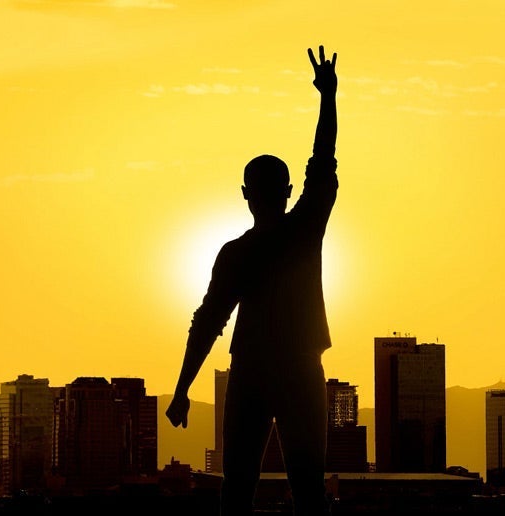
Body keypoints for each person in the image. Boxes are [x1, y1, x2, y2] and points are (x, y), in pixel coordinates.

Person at [166, 45, 338, 516]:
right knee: (307, 491)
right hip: (297, 370)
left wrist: (183, 389)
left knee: (237, 490)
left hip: (254, 372)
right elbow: (323, 163)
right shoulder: (302, 231)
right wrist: (328, 98)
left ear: (246, 195)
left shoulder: (237, 253)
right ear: (285, 193)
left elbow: (207, 324)